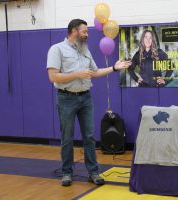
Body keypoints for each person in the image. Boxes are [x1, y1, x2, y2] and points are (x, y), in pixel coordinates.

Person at [46, 19, 131, 186]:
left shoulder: (85, 50)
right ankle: (67, 173)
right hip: (66, 98)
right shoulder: (57, 49)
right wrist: (77, 74)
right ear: (74, 31)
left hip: (85, 98)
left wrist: (114, 68)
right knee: (67, 138)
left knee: (89, 137)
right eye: (84, 31)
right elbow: (53, 76)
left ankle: (93, 172)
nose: (87, 34)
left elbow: (94, 72)